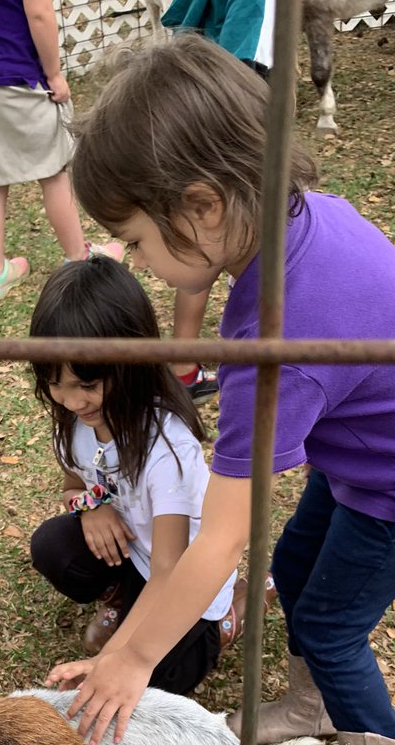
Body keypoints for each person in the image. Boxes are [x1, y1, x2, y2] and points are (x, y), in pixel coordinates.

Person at [44, 34, 395, 745]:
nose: (140, 262)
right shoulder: (302, 222)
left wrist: (130, 658)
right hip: (374, 446)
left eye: (140, 240)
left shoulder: (275, 338)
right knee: (294, 565)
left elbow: (218, 542)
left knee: (331, 623)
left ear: (203, 206)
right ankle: (313, 701)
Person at [29, 254, 249, 696]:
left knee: (161, 680)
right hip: (135, 557)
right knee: (52, 547)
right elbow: (72, 484)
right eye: (56, 383)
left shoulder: (168, 448)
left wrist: (108, 663)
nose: (71, 401)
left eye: (87, 384)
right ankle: (121, 600)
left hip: (183, 580)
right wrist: (92, 507)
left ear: (132, 362)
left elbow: (170, 569)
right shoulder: (75, 423)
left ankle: (234, 611)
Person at [0, 0, 123, 301]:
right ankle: (77, 257)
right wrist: (54, 74)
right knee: (54, 171)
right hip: (19, 74)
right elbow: (40, 14)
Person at [162, 0, 276, 402]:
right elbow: (239, 50)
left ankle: (183, 364)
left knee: (206, 236)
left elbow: (178, 15)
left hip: (194, 92)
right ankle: (238, 361)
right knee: (233, 232)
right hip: (231, 96)